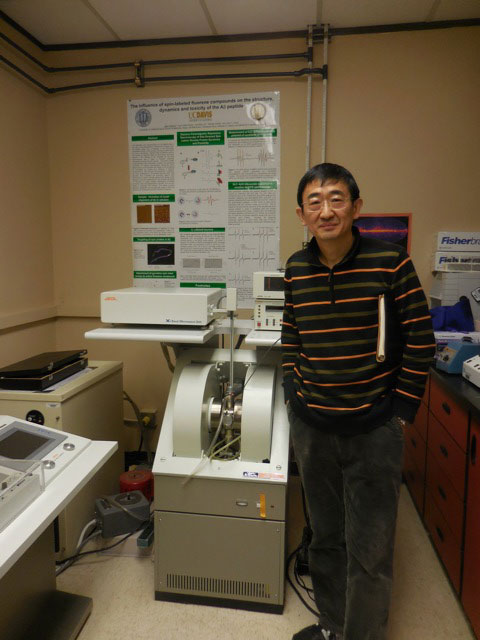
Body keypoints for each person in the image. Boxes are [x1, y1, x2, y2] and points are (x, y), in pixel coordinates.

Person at [282, 163, 435, 640]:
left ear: (356, 207)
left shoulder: (390, 262)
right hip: (313, 428)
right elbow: (291, 336)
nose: (326, 211)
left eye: (336, 199)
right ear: (302, 214)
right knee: (326, 538)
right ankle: (333, 626)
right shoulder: (296, 268)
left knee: (370, 548)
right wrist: (293, 393)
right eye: (314, 202)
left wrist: (401, 412)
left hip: (374, 429)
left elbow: (421, 339)